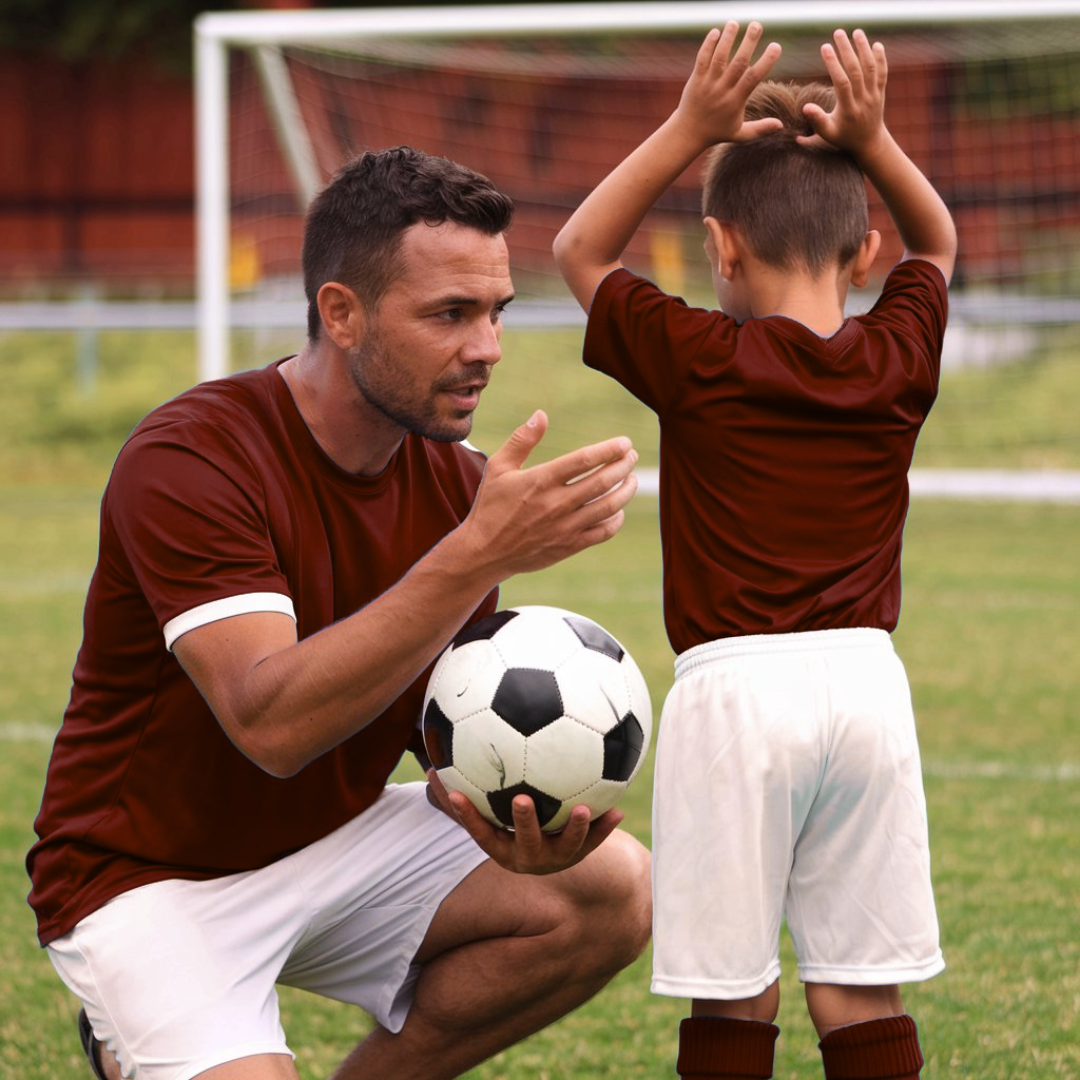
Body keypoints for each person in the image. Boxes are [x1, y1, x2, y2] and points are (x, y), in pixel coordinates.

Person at [27, 145, 652, 1080]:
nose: (485, 348)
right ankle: (128, 1033)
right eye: (449, 314)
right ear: (342, 313)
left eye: (495, 313)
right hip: (145, 880)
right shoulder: (193, 457)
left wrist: (503, 822)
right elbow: (270, 724)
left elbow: (427, 729)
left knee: (613, 891)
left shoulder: (456, 491)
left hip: (330, 849)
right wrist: (479, 552)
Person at [554, 21, 956, 1080]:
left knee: (735, 990)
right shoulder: (897, 354)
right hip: (870, 687)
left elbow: (580, 253)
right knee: (861, 984)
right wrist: (873, 143)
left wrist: (689, 127)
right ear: (865, 254)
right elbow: (941, 246)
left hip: (735, 694)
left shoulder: (698, 358)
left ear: (721, 251)